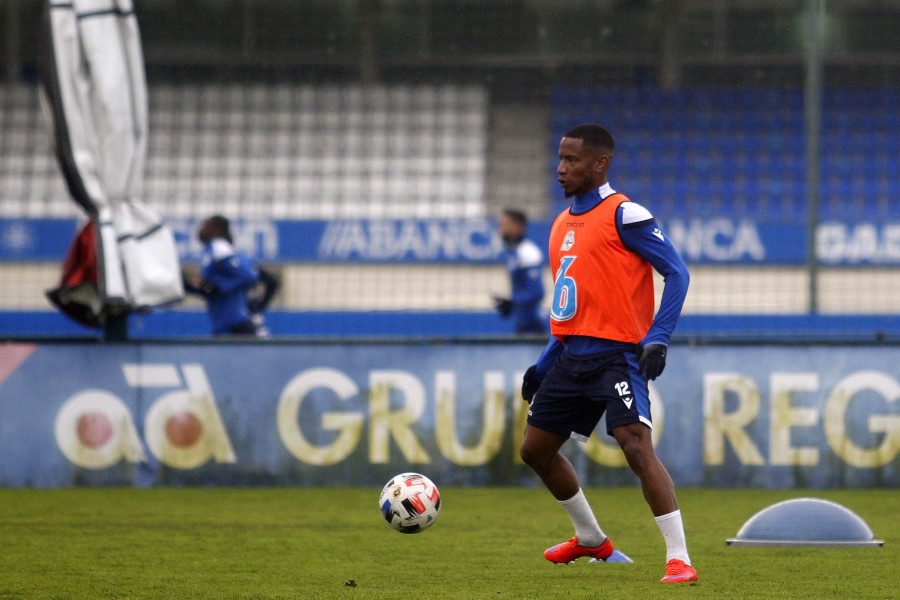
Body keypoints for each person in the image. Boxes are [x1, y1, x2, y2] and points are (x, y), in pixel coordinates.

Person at [518, 124, 696, 583]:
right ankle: (592, 540)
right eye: (560, 158)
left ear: (600, 164)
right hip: (571, 355)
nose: (560, 169)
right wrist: (542, 366)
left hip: (617, 356)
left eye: (572, 160)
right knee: (535, 451)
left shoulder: (626, 214)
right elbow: (567, 307)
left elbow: (676, 273)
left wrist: (658, 336)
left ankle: (679, 559)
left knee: (636, 446)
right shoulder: (559, 225)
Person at [183, 215, 278, 337]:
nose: (199, 230)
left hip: (236, 325)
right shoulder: (214, 251)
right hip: (224, 325)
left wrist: (221, 288)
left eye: (205, 226)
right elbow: (211, 290)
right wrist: (188, 286)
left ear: (217, 228)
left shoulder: (219, 248)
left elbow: (248, 277)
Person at [493, 208, 546, 334]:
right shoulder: (513, 252)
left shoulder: (529, 253)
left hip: (534, 324)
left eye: (504, 224)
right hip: (521, 321)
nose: (500, 229)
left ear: (517, 226)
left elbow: (537, 292)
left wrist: (512, 302)